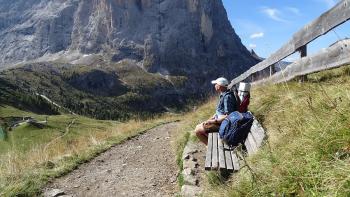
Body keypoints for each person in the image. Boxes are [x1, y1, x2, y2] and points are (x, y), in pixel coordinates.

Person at [194, 77, 238, 145]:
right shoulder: (223, 94)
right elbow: (220, 111)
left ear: (220, 86)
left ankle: (209, 146)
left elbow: (229, 115)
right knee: (197, 126)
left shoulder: (227, 97)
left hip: (223, 124)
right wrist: (211, 118)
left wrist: (214, 121)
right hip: (219, 121)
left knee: (197, 131)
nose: (215, 86)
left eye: (216, 84)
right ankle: (210, 145)